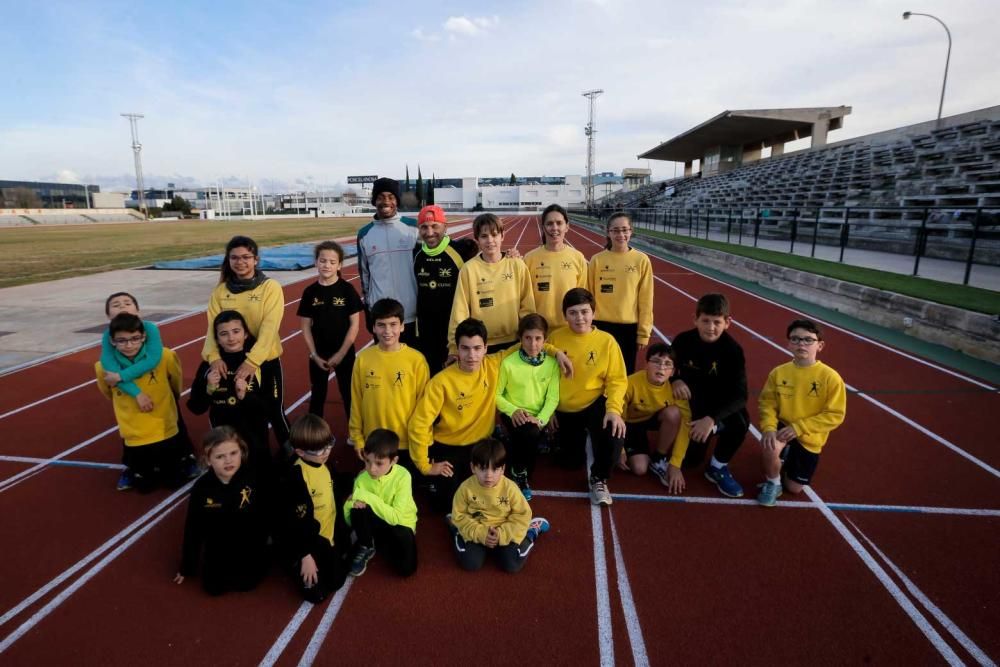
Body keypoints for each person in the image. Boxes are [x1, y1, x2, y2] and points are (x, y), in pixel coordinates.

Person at [409, 318, 569, 511]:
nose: (471, 355)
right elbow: (419, 424)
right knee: (446, 504)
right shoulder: (440, 382)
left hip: (482, 444)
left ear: (485, 348)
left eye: (477, 348)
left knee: (490, 496)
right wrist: (425, 466)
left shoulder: (492, 364)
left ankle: (503, 448)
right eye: (465, 348)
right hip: (449, 445)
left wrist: (556, 352)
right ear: (456, 350)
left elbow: (529, 343)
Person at [203, 235, 290, 447]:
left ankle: (291, 453)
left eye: (246, 257)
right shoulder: (221, 291)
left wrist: (252, 362)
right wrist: (213, 357)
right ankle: (238, 454)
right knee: (236, 411)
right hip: (230, 361)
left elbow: (270, 328)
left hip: (264, 360)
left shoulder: (270, 288)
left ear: (256, 260)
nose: (240, 262)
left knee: (274, 409)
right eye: (234, 258)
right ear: (228, 260)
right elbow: (211, 328)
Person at [96, 313, 196, 492]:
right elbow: (108, 392)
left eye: (135, 339)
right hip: (135, 433)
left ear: (144, 336)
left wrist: (169, 399)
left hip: (165, 428)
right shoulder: (102, 367)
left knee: (175, 481)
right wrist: (133, 396)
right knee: (144, 488)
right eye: (122, 341)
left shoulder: (164, 356)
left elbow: (175, 381)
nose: (129, 345)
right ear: (112, 341)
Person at [548, 288, 627, 506]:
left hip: (594, 403)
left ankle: (599, 477)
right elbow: (544, 378)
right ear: (565, 315)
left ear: (593, 312)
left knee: (615, 430)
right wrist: (550, 409)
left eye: (584, 311)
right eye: (573, 313)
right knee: (570, 463)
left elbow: (617, 380)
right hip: (565, 408)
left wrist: (613, 410)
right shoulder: (554, 338)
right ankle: (572, 440)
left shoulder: (607, 341)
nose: (579, 318)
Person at [756, 319, 847, 506]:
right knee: (769, 444)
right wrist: (769, 427)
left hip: (809, 434)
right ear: (789, 343)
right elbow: (767, 403)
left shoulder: (831, 377)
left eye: (808, 340)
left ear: (820, 345)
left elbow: (835, 415)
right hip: (783, 426)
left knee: (794, 489)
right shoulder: (779, 372)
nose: (801, 344)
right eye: (795, 339)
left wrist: (800, 428)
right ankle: (773, 483)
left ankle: (785, 458)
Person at [174, 426, 270, 595]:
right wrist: (187, 566)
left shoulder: (252, 478)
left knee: (247, 585)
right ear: (209, 460)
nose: (228, 461)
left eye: (233, 453)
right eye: (220, 456)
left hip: (248, 546)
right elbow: (193, 528)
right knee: (213, 590)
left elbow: (267, 513)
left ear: (242, 452)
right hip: (219, 549)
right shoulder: (202, 488)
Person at [671, 293, 750, 498]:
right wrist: (675, 380)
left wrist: (711, 419)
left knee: (741, 421)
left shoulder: (733, 350)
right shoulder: (683, 341)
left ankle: (718, 465)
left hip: (716, 406)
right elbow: (665, 367)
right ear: (695, 319)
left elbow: (741, 395)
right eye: (705, 321)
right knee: (690, 462)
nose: (710, 327)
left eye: (717, 322)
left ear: (727, 322)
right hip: (691, 404)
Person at [348, 298, 429, 467]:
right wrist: (357, 437)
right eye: (381, 325)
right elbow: (356, 401)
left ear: (402, 326)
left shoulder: (416, 360)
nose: (388, 331)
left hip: (406, 442)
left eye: (393, 324)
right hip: (373, 441)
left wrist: (423, 440)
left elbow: (424, 406)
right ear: (373, 327)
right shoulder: (363, 359)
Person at [449, 438, 550, 573]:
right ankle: (455, 529)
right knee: (470, 563)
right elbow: (460, 515)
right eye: (483, 469)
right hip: (478, 529)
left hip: (505, 529)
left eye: (495, 469)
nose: (489, 475)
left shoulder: (510, 488)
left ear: (503, 469)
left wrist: (501, 534)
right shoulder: (465, 488)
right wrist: (482, 534)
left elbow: (522, 514)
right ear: (473, 467)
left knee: (512, 565)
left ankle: (531, 531)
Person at [187, 310, 272, 469]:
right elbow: (196, 408)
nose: (231, 338)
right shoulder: (208, 366)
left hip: (255, 440)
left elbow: (270, 407)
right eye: (224, 334)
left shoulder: (258, 363)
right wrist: (209, 389)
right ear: (217, 340)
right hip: (224, 445)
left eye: (236, 331)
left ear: (246, 334)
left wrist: (244, 396)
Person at [276, 414, 347, 604]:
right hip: (309, 539)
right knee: (317, 596)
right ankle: (295, 562)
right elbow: (295, 523)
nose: (325, 452)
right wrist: (305, 555)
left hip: (328, 533)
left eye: (328, 444)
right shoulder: (295, 477)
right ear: (300, 452)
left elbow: (338, 484)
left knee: (336, 582)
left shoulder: (326, 464)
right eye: (317, 449)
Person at [494, 313, 560, 500]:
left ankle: (511, 451)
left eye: (538, 338)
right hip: (513, 412)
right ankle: (519, 473)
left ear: (545, 340)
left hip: (538, 416)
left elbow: (553, 398)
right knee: (528, 435)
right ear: (520, 339)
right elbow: (497, 395)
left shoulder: (552, 364)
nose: (533, 344)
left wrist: (541, 419)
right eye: (528, 338)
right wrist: (512, 410)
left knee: (530, 434)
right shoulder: (508, 363)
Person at [448, 213, 534, 354]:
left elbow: (528, 306)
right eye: (484, 236)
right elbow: (460, 311)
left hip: (514, 341)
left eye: (494, 235)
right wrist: (453, 347)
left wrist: (529, 337)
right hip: (479, 344)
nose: (490, 241)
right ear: (477, 239)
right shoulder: (468, 269)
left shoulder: (517, 265)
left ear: (502, 236)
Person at [298, 240, 363, 422]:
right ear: (316, 262)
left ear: (339, 265)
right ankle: (314, 436)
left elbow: (354, 325)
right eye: (323, 260)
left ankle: (355, 431)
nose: (327, 265)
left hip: (344, 353)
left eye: (332, 262)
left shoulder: (347, 289)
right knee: (317, 394)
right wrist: (313, 354)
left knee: (348, 392)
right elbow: (304, 326)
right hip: (318, 354)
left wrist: (341, 353)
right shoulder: (310, 292)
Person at [412, 204, 478, 374]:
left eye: (435, 226)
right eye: (424, 227)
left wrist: (510, 254)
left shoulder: (462, 251)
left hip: (455, 331)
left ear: (445, 227)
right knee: (431, 376)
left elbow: (488, 263)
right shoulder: (417, 254)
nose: (429, 232)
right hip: (426, 331)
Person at [343, 429, 418, 578]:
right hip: (377, 521)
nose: (371, 469)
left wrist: (365, 496)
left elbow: (395, 517)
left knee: (407, 570)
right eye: (367, 461)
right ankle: (367, 545)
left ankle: (381, 543)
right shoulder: (361, 480)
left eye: (379, 463)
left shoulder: (403, 476)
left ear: (394, 461)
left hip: (401, 524)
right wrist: (350, 505)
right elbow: (350, 519)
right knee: (357, 510)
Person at [620, 342, 691, 494]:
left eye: (667, 364)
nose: (661, 368)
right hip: (628, 423)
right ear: (646, 364)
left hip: (651, 418)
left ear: (673, 372)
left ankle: (659, 458)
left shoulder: (676, 390)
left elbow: (685, 425)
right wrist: (620, 449)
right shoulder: (630, 383)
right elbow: (618, 417)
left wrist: (675, 463)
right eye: (656, 362)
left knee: (674, 413)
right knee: (639, 469)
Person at [588, 212, 654, 374]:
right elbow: (589, 295)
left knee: (624, 373)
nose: (621, 234)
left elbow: (646, 300)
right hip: (601, 327)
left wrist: (643, 333)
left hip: (628, 329)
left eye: (625, 230)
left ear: (631, 231)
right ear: (608, 232)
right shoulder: (597, 260)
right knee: (600, 372)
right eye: (615, 230)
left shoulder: (641, 260)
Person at [356, 177, 419, 345]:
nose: (386, 201)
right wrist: (369, 308)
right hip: (381, 316)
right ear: (374, 201)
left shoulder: (413, 228)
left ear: (397, 201)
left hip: (412, 314)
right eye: (380, 197)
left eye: (391, 197)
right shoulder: (364, 234)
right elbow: (364, 274)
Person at [523, 204, 587, 328]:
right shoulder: (529, 258)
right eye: (549, 223)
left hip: (569, 329)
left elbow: (582, 298)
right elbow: (524, 298)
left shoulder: (578, 257)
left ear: (567, 227)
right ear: (543, 227)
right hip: (540, 331)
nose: (554, 228)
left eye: (559, 223)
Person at [99, 291, 163, 413]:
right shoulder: (108, 335)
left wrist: (121, 376)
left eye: (127, 303)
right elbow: (111, 372)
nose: (122, 306)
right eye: (116, 305)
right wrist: (137, 394)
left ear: (138, 310)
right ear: (108, 315)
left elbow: (153, 359)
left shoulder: (150, 328)